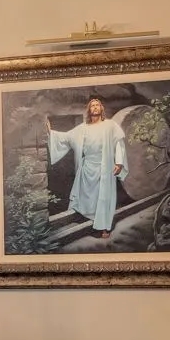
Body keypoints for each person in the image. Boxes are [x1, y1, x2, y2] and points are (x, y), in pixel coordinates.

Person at [48, 97, 127, 237]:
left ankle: (103, 228)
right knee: (86, 198)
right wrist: (51, 132)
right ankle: (86, 221)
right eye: (92, 106)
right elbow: (67, 137)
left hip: (104, 167)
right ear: (89, 110)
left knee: (103, 198)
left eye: (97, 105)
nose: (95, 107)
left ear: (101, 109)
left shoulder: (110, 125)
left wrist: (119, 162)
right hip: (87, 168)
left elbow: (119, 143)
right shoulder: (83, 127)